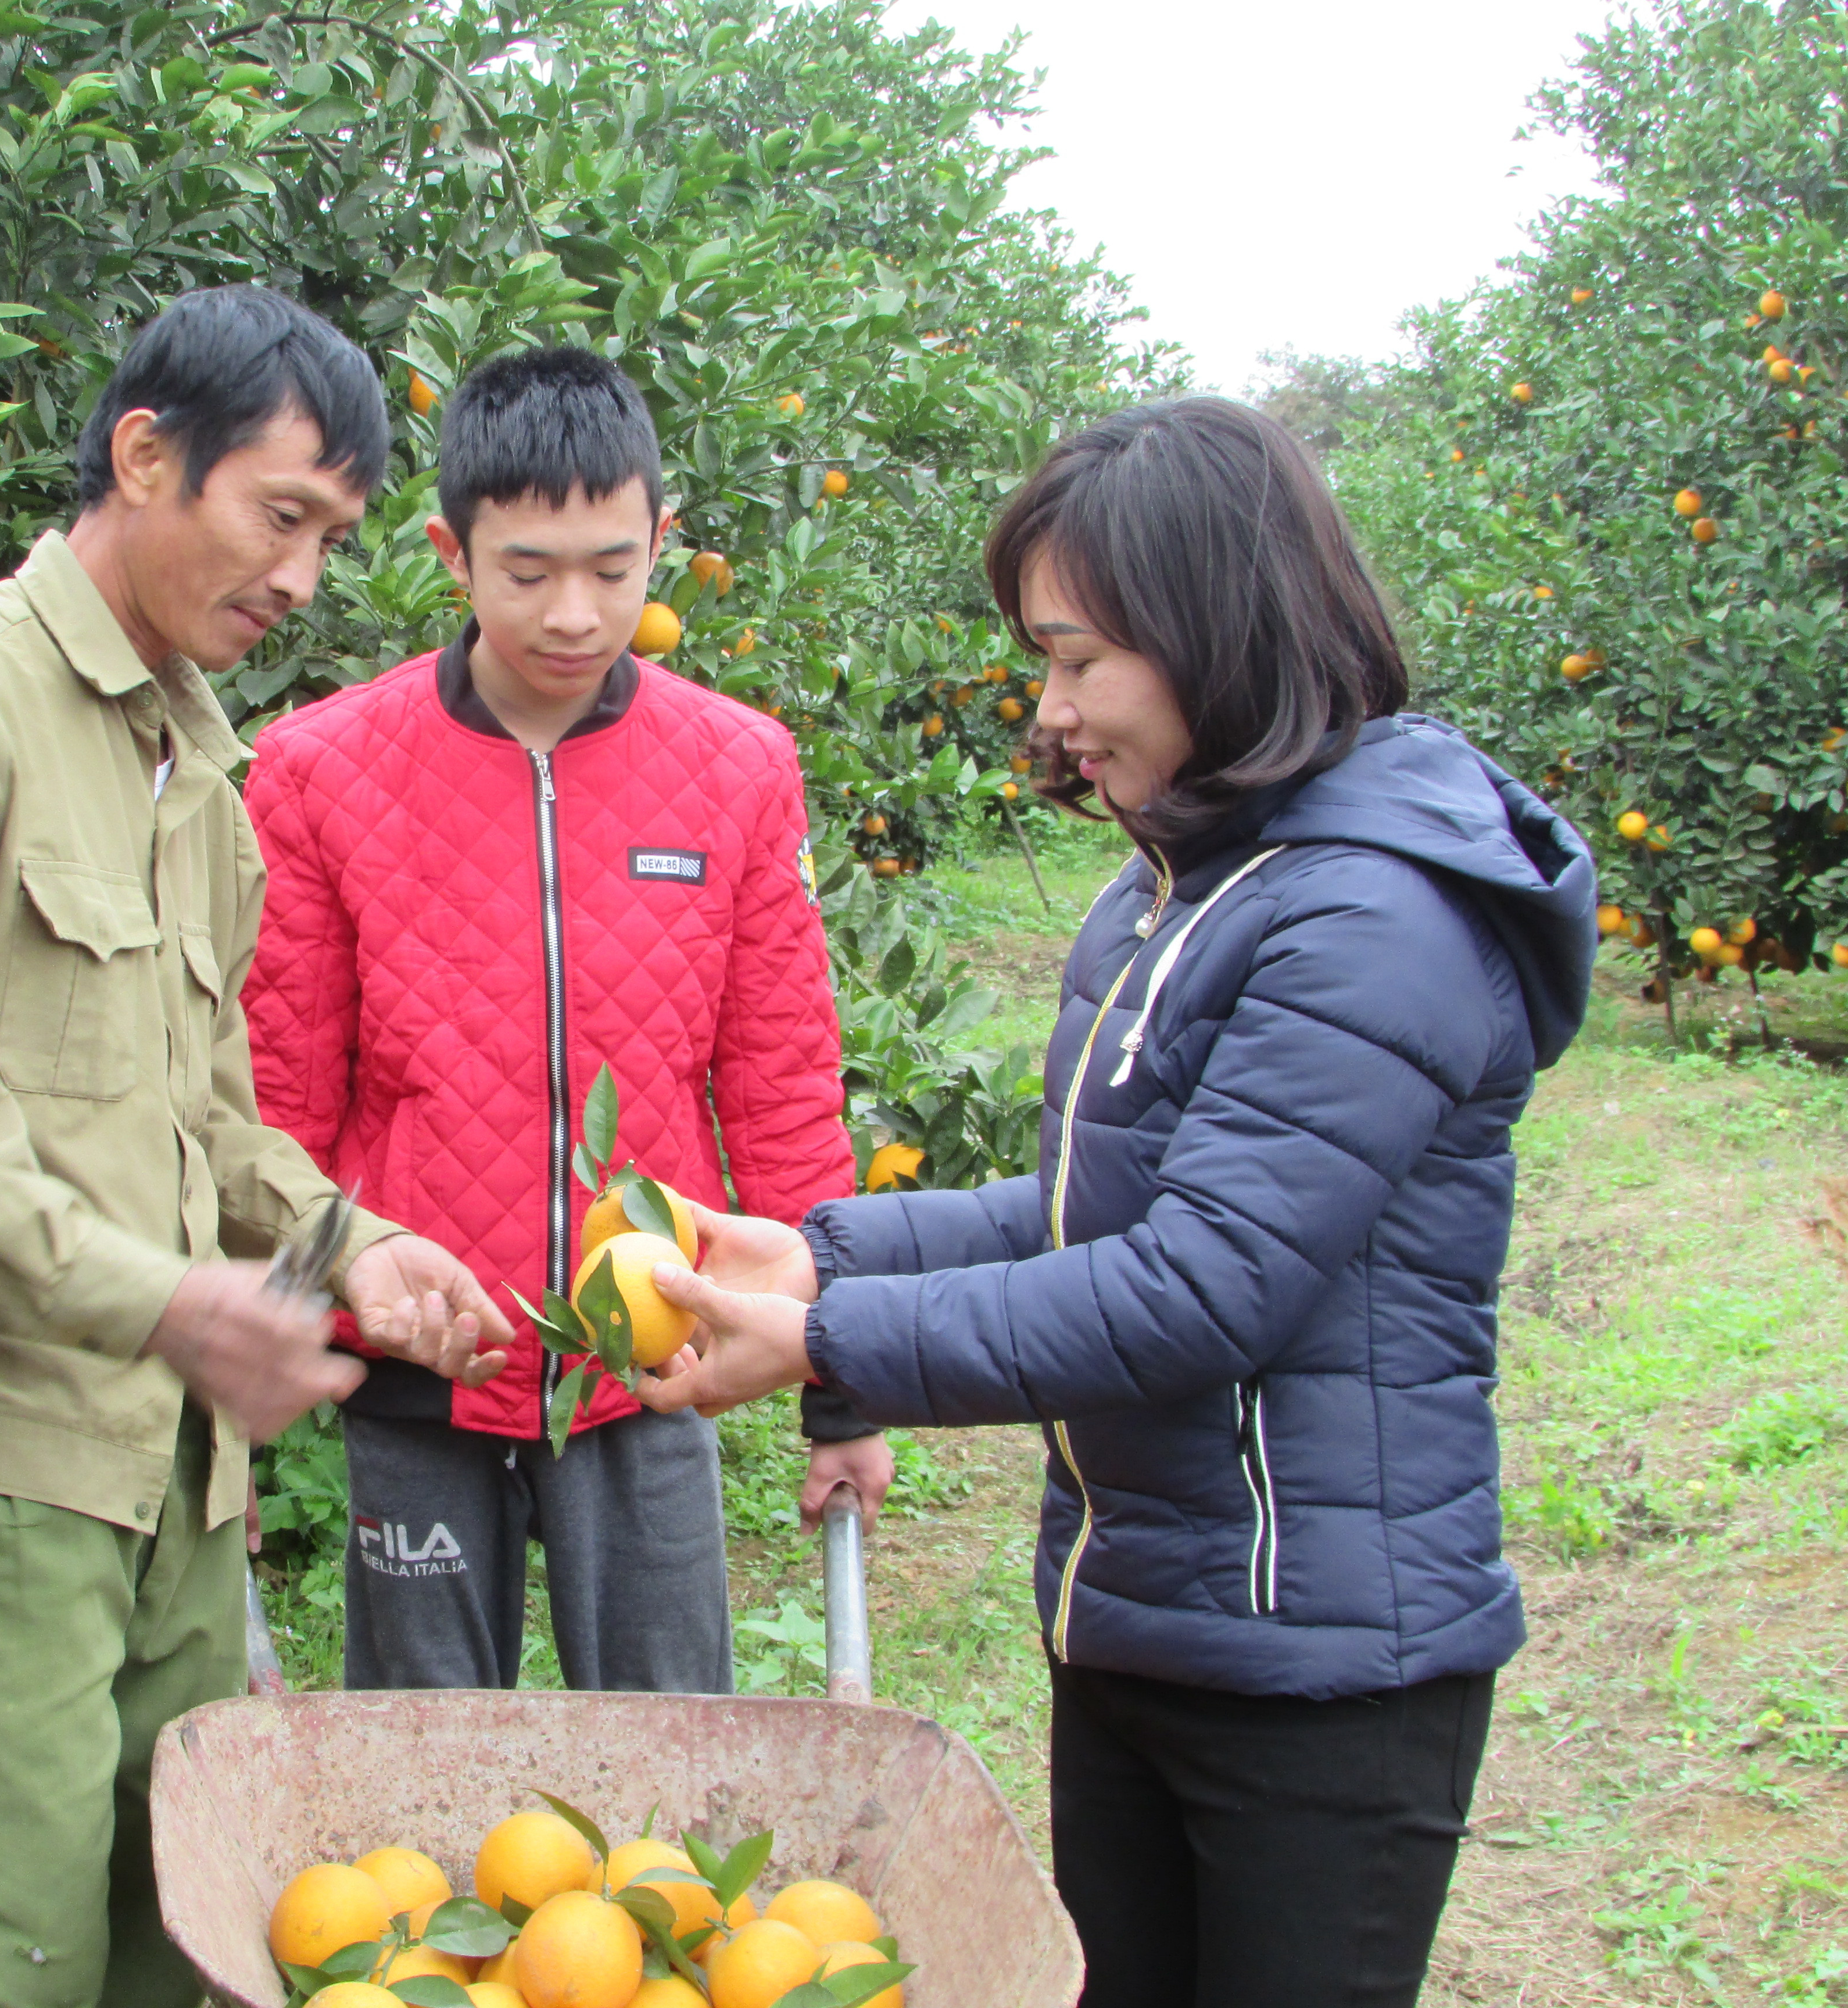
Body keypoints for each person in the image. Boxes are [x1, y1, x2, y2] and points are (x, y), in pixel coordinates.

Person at [636, 397, 1598, 2006]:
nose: (1053, 706)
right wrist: (823, 1248)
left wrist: (828, 1341)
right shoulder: (1175, 891)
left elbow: (1201, 1286)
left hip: (1319, 1672)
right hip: (1144, 1615)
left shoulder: (1373, 915)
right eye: (1045, 659)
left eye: (1080, 659)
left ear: (1214, 630)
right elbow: (1102, 1211)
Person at [0, 285, 515, 2008]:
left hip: (173, 1474)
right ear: (147, 456)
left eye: (335, 537)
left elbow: (201, 1111)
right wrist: (166, 1303)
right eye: (280, 515)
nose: (304, 577)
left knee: (183, 1944)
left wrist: (344, 1245)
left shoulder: (189, 770)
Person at [241, 345, 891, 1697]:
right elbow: (274, 1106)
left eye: (613, 566)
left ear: (663, 539)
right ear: (450, 552)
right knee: (418, 1785)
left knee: (670, 1762)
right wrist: (242, 1391)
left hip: (649, 1369)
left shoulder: (738, 769)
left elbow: (779, 1085)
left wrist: (845, 1387)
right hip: (422, 1367)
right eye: (528, 571)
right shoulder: (319, 774)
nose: (575, 614)